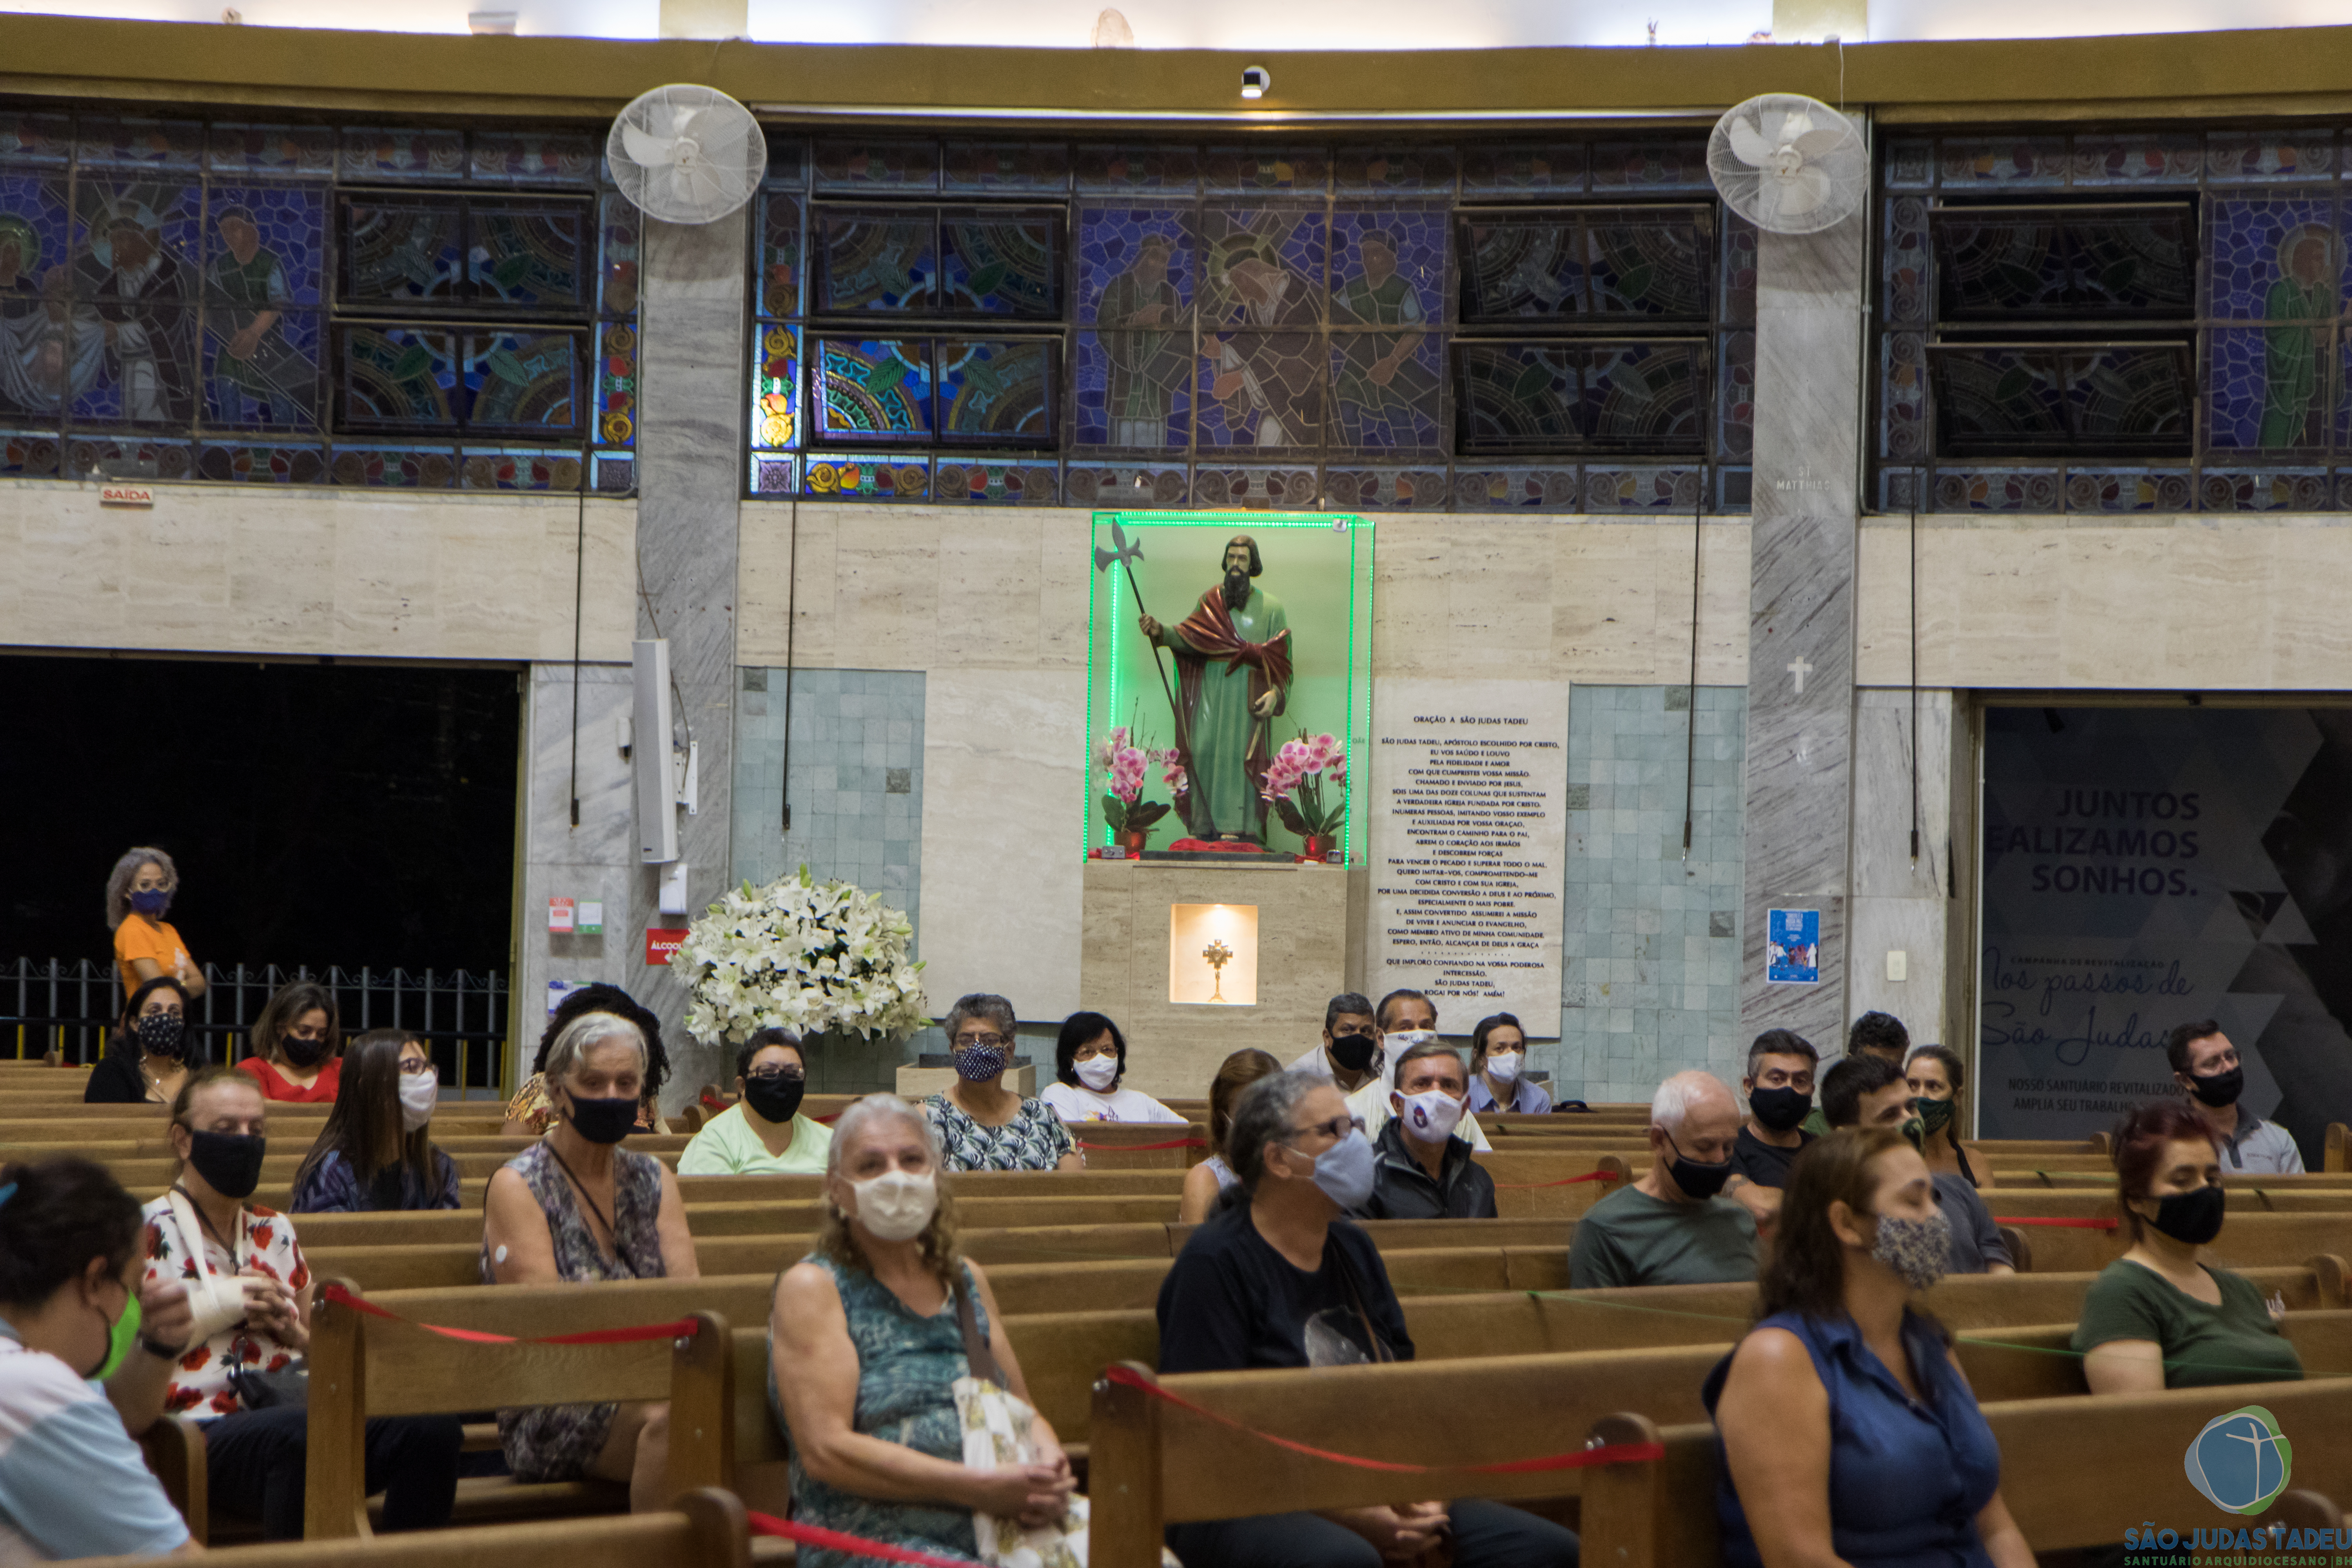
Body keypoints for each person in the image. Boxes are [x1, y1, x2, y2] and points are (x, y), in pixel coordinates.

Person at [1156, 1069, 1579, 1568]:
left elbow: (1400, 1388)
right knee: (1347, 1559)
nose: (1355, 1142)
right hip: (1243, 1496)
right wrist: (1355, 1514)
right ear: (1278, 1159)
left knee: (1548, 1552)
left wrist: (1424, 1493)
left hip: (1372, 1475)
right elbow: (1212, 1434)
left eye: (1355, 1127)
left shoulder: (1353, 1247)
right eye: (1334, 1131)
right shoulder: (1215, 1262)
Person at [115, 1068, 461, 1538]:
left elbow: (322, 1353)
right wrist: (215, 1305)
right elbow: (119, 1370)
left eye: (255, 1130)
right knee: (296, 1436)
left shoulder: (274, 1229)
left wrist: (292, 1331)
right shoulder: (139, 1233)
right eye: (225, 1129)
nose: (245, 1140)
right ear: (183, 1140)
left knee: (431, 1430)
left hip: (290, 1400)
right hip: (194, 1429)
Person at [768, 1094, 1076, 1568]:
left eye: (912, 1159)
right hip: (869, 1534)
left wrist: (1047, 1469)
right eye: (871, 1165)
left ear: (935, 1174)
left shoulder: (964, 1278)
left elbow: (1022, 1408)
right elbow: (828, 1451)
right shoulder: (815, 1287)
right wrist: (981, 1487)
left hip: (999, 1525)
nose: (896, 1176)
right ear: (838, 1189)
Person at [1705, 1127, 2035, 1568]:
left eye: (1935, 1199)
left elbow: (1995, 1527)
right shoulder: (1779, 1359)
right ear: (1846, 1223)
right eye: (1914, 1201)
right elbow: (1799, 1558)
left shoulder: (1928, 1343)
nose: (1938, 1218)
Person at [0, 1153, 197, 1561]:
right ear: (94, 1281)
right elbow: (178, 1559)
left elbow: (119, 1407)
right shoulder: (29, 1386)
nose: (136, 1308)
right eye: (134, 1286)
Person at [2074, 1102, 2305, 1392]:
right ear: (2136, 1199)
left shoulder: (2242, 1292)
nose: (2204, 1191)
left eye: (2212, 1178)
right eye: (2182, 1181)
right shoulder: (2121, 1294)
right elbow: (2139, 1428)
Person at [1136, 532, 1291, 843]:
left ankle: (1241, 827)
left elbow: (1283, 663)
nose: (1235, 565)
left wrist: (1276, 695)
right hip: (1210, 691)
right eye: (1231, 558)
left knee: (1239, 759)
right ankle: (1204, 826)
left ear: (1253, 565)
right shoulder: (1210, 602)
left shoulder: (1273, 608)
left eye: (1242, 559)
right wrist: (1161, 632)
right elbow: (1189, 637)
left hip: (1247, 696)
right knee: (1203, 750)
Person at [1821, 1055, 2012, 1276]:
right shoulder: (1837, 1213)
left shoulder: (1961, 1190)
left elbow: (2000, 1269)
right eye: (1890, 1115)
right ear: (1848, 1137)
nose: (1910, 1121)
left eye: (1911, 1108)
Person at [1567, 1070, 1757, 1289]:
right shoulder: (1605, 1229)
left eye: (1728, 1147)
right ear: (1659, 1142)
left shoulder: (1740, 1219)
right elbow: (1592, 1320)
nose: (1720, 1159)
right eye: (1705, 1147)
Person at [290, 1029, 459, 1212]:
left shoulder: (438, 1166)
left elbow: (448, 1235)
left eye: (426, 1067)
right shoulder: (333, 1170)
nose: (428, 1077)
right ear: (370, 1088)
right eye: (411, 1067)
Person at [922, 994, 1080, 1173]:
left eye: (989, 1040)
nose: (977, 1049)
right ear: (953, 1050)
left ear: (1010, 1050)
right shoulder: (927, 1118)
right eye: (966, 1040)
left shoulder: (1043, 1116)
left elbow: (1076, 1188)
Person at [504, 984, 671, 1137]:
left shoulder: (641, 1093)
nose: (612, 1095)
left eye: (624, 1083)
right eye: (593, 1083)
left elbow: (668, 1147)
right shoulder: (541, 1087)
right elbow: (508, 1150)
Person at [1360, 1039, 1497, 1220]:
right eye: (1422, 1083)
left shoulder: (1478, 1182)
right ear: (1398, 1104)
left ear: (1463, 1108)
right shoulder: (1365, 1177)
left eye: (1448, 1085)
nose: (1436, 1094)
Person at [1345, 990, 1491, 1150]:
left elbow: (1486, 1166)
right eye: (1406, 1028)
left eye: (1426, 1026)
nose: (1419, 1035)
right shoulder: (1354, 1111)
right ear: (1381, 1038)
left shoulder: (1455, 1112)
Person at [678, 1027, 834, 1176]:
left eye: (793, 1073)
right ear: (743, 1085)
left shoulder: (829, 1142)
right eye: (767, 1072)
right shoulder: (714, 1142)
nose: (782, 1081)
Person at [2166, 1019, 2305, 1174]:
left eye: (2230, 1056)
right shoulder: (2169, 1142)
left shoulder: (2278, 1140)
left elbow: (2299, 1199)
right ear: (2185, 1081)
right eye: (2213, 1063)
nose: (2228, 1068)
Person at [1721, 1029, 1819, 1234]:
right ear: (1749, 1087)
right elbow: (1761, 1208)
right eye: (1777, 1079)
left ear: (1812, 1090)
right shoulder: (1727, 1147)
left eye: (1800, 1081)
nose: (1788, 1089)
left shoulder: (1822, 1150)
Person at [1180, 1047, 1281, 1223]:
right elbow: (1202, 1249)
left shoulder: (1294, 1171)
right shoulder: (1205, 1179)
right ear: (1224, 1116)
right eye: (1247, 1110)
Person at [1039, 1011, 1183, 1124]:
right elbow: (1066, 1145)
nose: (1100, 1059)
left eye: (1107, 1050)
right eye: (1087, 1052)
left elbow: (1187, 1134)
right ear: (1071, 1061)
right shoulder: (1059, 1095)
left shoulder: (1140, 1102)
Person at [107, 846, 205, 1001]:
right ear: (126, 891)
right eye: (145, 885)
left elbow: (200, 984)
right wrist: (182, 985)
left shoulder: (169, 930)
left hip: (175, 1019)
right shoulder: (132, 930)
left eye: (161, 884)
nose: (155, 891)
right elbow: (158, 987)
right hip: (148, 1020)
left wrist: (171, 988)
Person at [84, 975, 196, 1104]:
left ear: (183, 1024)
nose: (165, 1018)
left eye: (174, 1013)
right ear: (135, 1023)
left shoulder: (196, 1075)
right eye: (155, 1011)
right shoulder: (113, 1073)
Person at [1801, 1012, 1910, 1136]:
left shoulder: (1909, 1117)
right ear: (1850, 1062)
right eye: (1873, 1066)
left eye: (1895, 1066)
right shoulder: (1822, 1123)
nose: (1885, 1076)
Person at [236, 979, 342, 1103]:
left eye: (321, 1034)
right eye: (304, 1031)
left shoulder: (340, 1069)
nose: (313, 1039)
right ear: (280, 1028)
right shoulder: (253, 1070)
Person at [1905, 1045, 1982, 1187]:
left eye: (1933, 1086)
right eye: (1912, 1085)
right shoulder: (1890, 1160)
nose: (1921, 1096)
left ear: (1957, 1097)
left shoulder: (1975, 1163)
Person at [1287, 991, 1383, 1093]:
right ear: (1327, 1037)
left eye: (1366, 1031)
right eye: (1348, 1030)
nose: (1358, 1037)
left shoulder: (1382, 1072)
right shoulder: (1297, 1079)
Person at [1466, 1012, 1552, 1115]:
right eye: (1500, 1048)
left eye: (1516, 1048)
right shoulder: (1463, 1093)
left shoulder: (1539, 1099)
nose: (1511, 1054)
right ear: (1480, 1057)